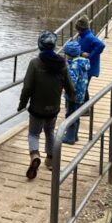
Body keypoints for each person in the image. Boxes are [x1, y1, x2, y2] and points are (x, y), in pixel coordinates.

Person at [18, 31, 75, 179]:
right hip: (53, 108)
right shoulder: (62, 63)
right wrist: (72, 100)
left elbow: (27, 87)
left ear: (40, 46)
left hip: (37, 108)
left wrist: (22, 103)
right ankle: (50, 160)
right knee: (50, 131)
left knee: (33, 133)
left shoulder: (35, 63)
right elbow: (69, 86)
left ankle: (35, 155)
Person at [62, 40, 90, 145]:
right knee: (76, 115)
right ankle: (75, 135)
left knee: (70, 115)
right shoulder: (82, 62)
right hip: (81, 93)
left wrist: (65, 90)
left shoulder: (73, 66)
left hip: (73, 95)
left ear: (68, 55)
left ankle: (69, 138)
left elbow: (71, 82)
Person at [74, 15, 105, 106]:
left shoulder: (89, 37)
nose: (77, 32)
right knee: (83, 85)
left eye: (78, 29)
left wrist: (90, 56)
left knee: (84, 86)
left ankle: (86, 107)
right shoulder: (83, 36)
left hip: (89, 67)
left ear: (81, 28)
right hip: (85, 66)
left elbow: (101, 45)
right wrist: (81, 52)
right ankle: (83, 105)